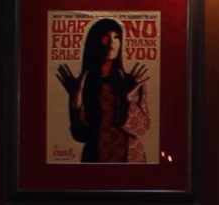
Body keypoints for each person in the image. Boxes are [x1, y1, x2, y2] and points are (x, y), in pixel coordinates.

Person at [54, 18, 150, 163]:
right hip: (95, 159)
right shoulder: (82, 85)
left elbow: (143, 129)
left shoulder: (132, 83)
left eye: (116, 37)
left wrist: (127, 100)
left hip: (129, 157)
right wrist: (76, 106)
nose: (111, 43)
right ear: (94, 42)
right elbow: (80, 135)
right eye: (106, 37)